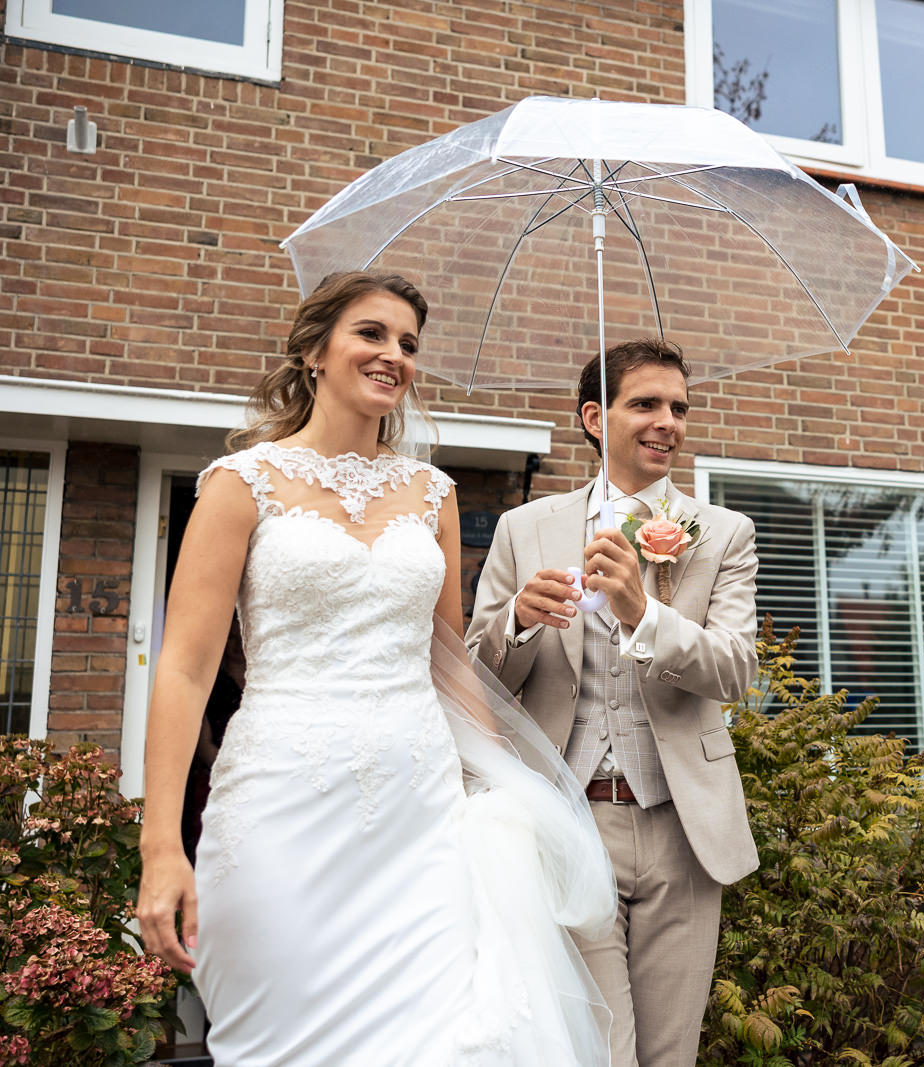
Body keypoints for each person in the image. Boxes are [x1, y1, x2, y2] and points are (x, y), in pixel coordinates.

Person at [136, 271, 615, 1067]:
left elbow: (450, 661)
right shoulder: (238, 486)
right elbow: (183, 672)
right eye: (372, 333)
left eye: (409, 343)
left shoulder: (431, 493)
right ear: (313, 350)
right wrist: (161, 847)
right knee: (275, 1037)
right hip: (277, 807)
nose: (394, 354)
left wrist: (500, 785)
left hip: (418, 814)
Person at [466, 339, 759, 1067]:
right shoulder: (523, 528)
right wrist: (521, 622)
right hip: (567, 823)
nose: (669, 422)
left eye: (679, 407)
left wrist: (641, 612)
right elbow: (478, 681)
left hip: (682, 830)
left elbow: (734, 669)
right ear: (595, 416)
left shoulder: (721, 534)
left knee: (669, 1055)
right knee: (599, 1052)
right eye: (646, 404)